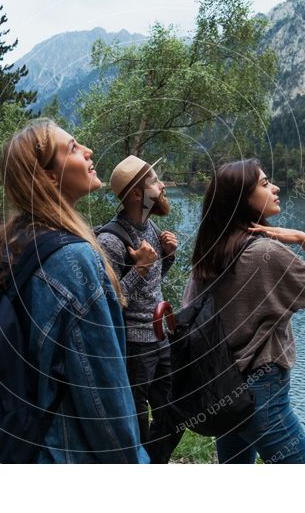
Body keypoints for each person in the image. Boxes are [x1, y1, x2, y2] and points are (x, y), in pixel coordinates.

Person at [0, 118, 148, 464]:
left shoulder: (14, 240)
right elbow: (103, 392)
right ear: (49, 176)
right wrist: (132, 461)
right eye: (73, 148)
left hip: (23, 441)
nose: (89, 150)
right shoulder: (73, 259)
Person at [183, 159, 305, 464]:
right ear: (242, 198)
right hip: (261, 393)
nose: (275, 188)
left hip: (224, 389)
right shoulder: (267, 253)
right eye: (264, 184)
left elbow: (189, 315)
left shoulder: (209, 254)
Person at [96, 155, 184, 463]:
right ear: (137, 194)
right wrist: (141, 269)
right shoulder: (109, 240)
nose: (161, 185)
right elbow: (107, 300)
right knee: (135, 419)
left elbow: (150, 287)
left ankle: (153, 462)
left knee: (172, 412)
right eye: (154, 181)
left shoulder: (150, 229)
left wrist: (166, 257)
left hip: (160, 338)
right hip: (133, 344)